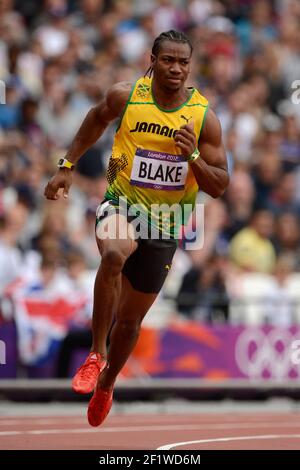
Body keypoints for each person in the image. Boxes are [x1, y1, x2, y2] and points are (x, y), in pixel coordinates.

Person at [44, 30, 229, 427]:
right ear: (153, 59)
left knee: (129, 322)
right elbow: (95, 119)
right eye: (168, 60)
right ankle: (96, 355)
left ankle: (108, 383)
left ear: (190, 66)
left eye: (183, 62)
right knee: (113, 253)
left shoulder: (202, 117)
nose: (176, 68)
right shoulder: (126, 96)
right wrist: (66, 167)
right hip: (121, 204)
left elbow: (219, 185)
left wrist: (192, 156)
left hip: (166, 224)